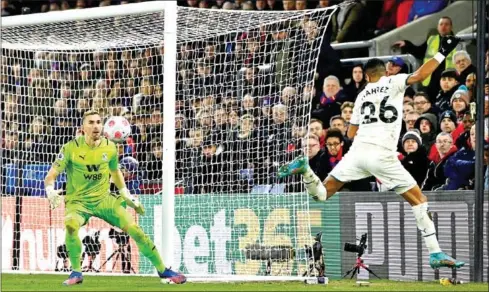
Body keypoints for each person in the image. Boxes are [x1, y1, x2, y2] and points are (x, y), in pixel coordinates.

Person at [278, 36, 464, 270]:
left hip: (357, 153)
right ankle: (435, 252)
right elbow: (418, 76)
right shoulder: (394, 82)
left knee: (322, 194)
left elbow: (353, 132)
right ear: (384, 72)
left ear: (366, 77)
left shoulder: (361, 96)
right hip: (382, 154)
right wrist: (442, 52)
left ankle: (306, 170)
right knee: (419, 200)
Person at [44, 110, 186, 286]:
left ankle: (164, 270)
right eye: (91, 122)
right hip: (78, 202)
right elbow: (51, 175)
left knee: (136, 230)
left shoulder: (110, 147)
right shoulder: (70, 148)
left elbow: (115, 172)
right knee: (71, 226)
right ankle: (76, 272)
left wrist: (126, 194)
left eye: (98, 122)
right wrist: (50, 190)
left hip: (105, 200)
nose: (96, 125)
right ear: (83, 128)